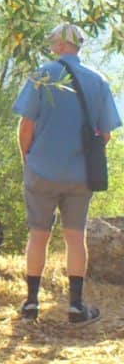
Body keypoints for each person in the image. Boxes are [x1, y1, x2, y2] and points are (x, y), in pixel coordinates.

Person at [13, 21, 121, 324]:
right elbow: (106, 134)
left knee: (38, 235)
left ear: (59, 45)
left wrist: (28, 158)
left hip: (41, 171)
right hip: (80, 174)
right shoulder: (97, 81)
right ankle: (76, 306)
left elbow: (26, 126)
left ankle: (31, 304)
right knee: (75, 237)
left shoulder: (41, 75)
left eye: (52, 42)